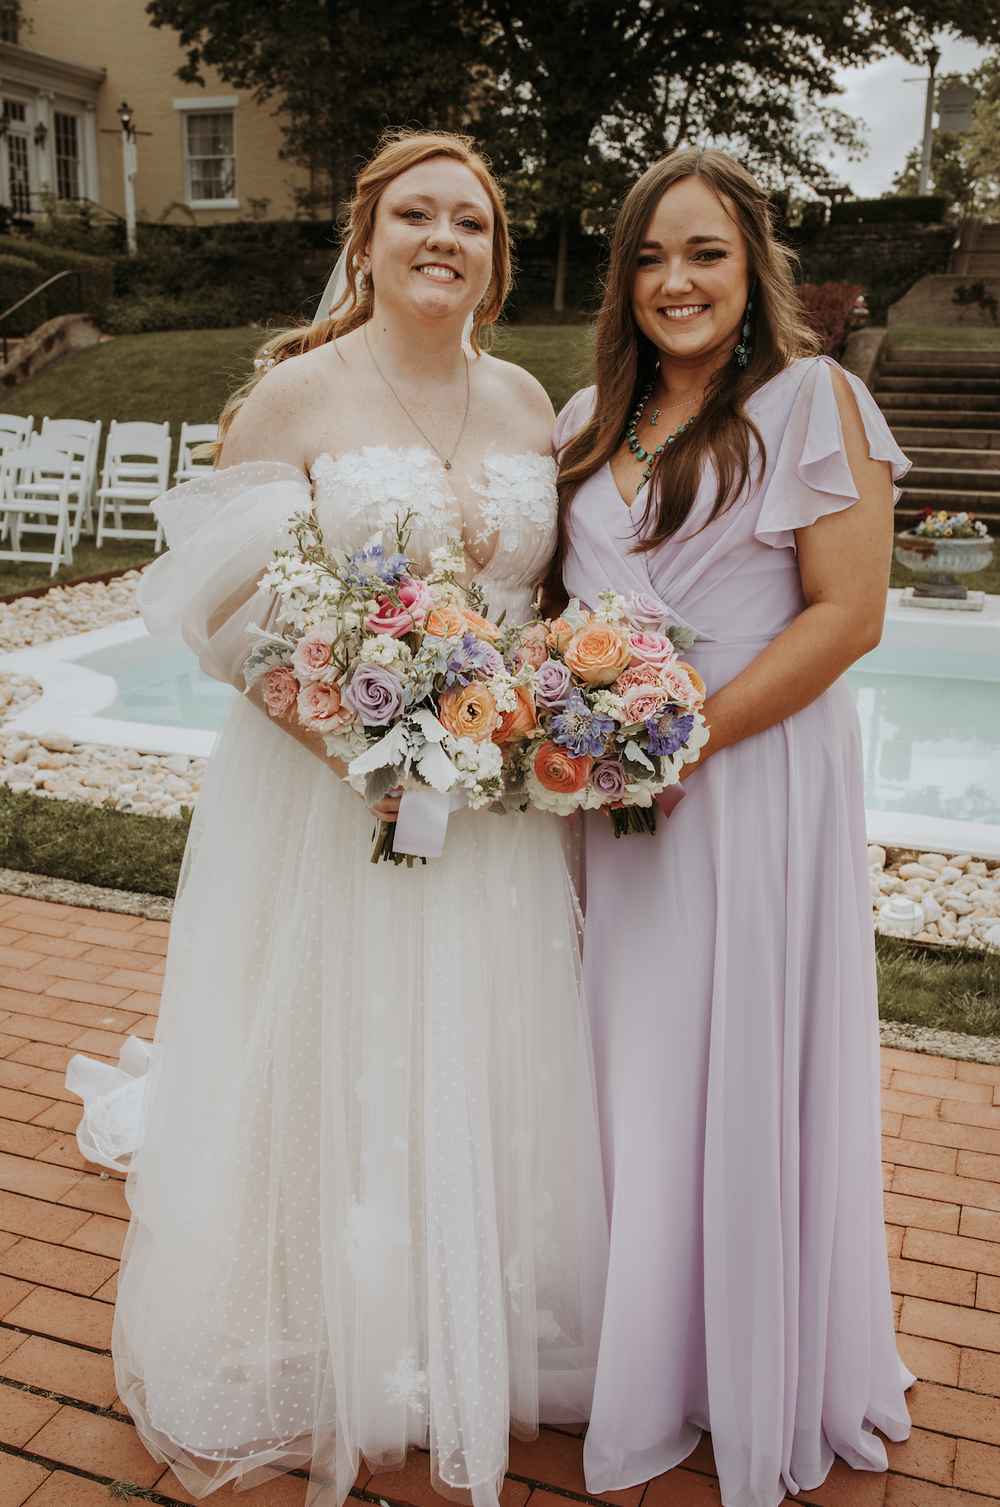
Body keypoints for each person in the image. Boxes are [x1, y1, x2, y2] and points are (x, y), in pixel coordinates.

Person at [114, 130, 608, 1507]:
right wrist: (373, 757)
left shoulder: (526, 399)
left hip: (494, 810)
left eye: (472, 221)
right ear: (368, 238)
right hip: (335, 791)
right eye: (417, 216)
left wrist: (542, 712)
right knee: (339, 1035)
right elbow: (226, 611)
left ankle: (463, 1320)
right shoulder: (296, 394)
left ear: (496, 257)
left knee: (479, 1034)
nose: (444, 238)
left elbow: (540, 600)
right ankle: (323, 1328)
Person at [543, 147, 912, 1507]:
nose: (676, 281)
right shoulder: (588, 418)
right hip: (617, 799)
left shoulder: (817, 401)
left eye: (704, 252)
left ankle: (748, 1361)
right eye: (649, 257)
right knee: (635, 1055)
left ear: (756, 264)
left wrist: (681, 735)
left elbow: (848, 617)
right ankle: (641, 1343)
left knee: (738, 1047)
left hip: (749, 783)